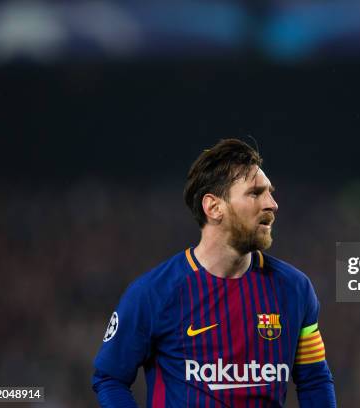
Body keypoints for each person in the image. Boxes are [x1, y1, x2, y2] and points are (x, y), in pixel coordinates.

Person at [92, 139, 336, 407]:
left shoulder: (295, 289)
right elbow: (110, 378)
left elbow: (314, 380)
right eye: (255, 193)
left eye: (270, 192)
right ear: (214, 207)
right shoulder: (153, 293)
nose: (272, 204)